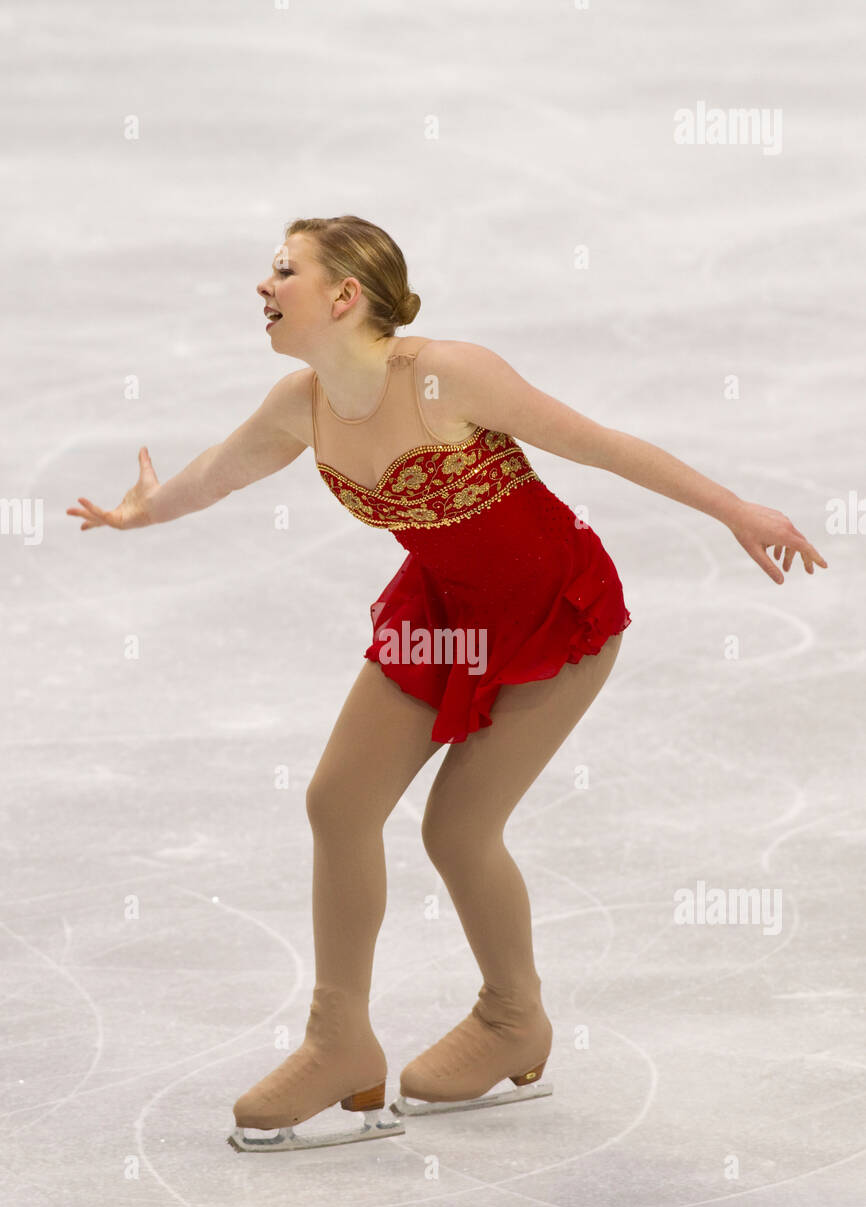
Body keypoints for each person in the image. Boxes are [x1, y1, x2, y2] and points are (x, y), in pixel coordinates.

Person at [67, 214, 828, 1153]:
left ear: (345, 296)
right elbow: (218, 476)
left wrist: (735, 509)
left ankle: (515, 1018)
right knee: (337, 801)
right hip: (441, 617)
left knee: (457, 828)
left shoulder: (446, 377)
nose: (263, 289)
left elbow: (597, 444)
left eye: (282, 272)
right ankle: (339, 1041)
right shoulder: (298, 405)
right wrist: (144, 513)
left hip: (556, 612)